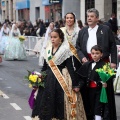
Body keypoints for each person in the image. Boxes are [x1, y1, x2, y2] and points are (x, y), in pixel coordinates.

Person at [32, 29, 86, 120]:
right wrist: (38, 80)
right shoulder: (48, 50)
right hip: (48, 79)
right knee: (46, 102)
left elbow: (71, 68)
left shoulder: (65, 51)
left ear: (60, 38)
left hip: (60, 79)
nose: (52, 39)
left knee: (58, 102)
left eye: (55, 37)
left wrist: (75, 84)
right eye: (51, 37)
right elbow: (45, 67)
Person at [77, 45, 117, 120]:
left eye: (97, 53)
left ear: (101, 54)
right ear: (91, 54)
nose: (94, 55)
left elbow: (109, 77)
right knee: (89, 107)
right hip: (88, 91)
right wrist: (79, 86)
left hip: (99, 91)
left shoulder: (104, 65)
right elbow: (82, 77)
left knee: (98, 108)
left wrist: (105, 83)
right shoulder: (87, 64)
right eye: (93, 53)